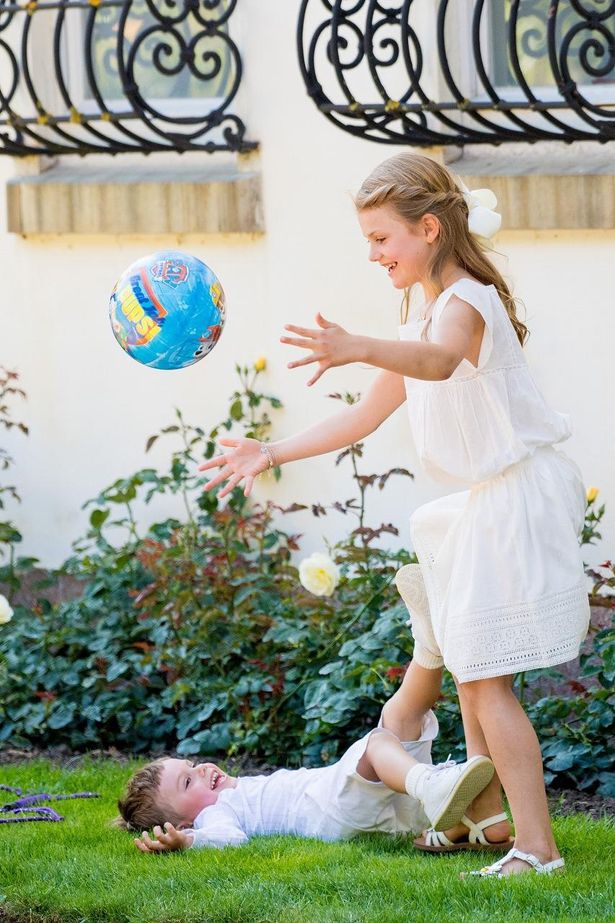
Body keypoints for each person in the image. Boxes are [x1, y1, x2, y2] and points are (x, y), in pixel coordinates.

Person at [199, 153, 588, 877]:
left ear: (429, 229)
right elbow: (368, 413)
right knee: (473, 666)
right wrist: (271, 448)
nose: (374, 256)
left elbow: (439, 363)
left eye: (382, 239)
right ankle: (490, 819)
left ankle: (536, 848)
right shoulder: (424, 311)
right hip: (486, 502)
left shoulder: (464, 303)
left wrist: (354, 345)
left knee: (483, 677)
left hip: (513, 497)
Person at [117, 670, 495, 853]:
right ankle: (431, 786)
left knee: (400, 716)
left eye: (190, 766)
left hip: (349, 803)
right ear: (183, 821)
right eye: (187, 783)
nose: (200, 771)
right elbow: (231, 839)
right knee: (378, 742)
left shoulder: (233, 792)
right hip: (328, 808)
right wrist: (188, 842)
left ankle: (429, 643)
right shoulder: (214, 816)